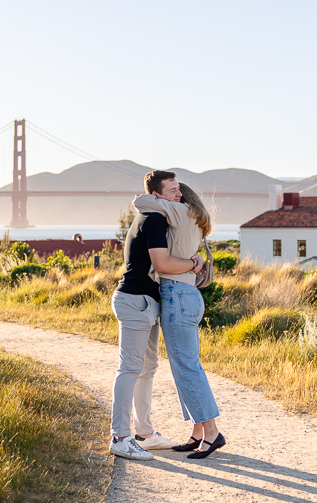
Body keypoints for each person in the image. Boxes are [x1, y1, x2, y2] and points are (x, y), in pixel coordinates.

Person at [109, 170, 206, 461]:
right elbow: (162, 263)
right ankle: (120, 437)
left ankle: (144, 434)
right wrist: (192, 264)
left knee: (147, 369)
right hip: (136, 300)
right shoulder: (153, 219)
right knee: (130, 368)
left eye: (179, 190)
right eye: (173, 191)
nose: (179, 195)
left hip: (146, 301)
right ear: (156, 196)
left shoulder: (155, 216)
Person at [132, 183, 225, 459]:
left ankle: (211, 433)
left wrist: (154, 194)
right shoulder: (192, 216)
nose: (175, 195)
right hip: (188, 295)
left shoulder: (177, 209)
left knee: (187, 367)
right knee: (185, 366)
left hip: (177, 294)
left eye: (176, 191)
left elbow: (141, 202)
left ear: (182, 197)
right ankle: (198, 432)